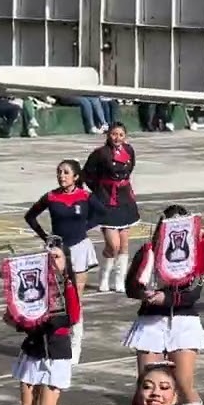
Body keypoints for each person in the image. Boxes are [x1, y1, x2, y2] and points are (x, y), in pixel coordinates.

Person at [123, 205, 204, 405]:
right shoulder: (148, 251)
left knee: (183, 384)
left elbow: (194, 292)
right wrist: (143, 293)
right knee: (148, 384)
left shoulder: (195, 253)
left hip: (183, 321)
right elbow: (130, 287)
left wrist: (167, 298)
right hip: (150, 321)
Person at [6, 243, 82, 405]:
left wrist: (38, 321)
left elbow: (72, 317)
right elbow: (20, 314)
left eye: (57, 256)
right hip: (33, 349)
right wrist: (17, 319)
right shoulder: (37, 284)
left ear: (65, 261)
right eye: (49, 256)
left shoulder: (67, 285)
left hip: (55, 352)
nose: (53, 260)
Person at [25, 159, 107, 363]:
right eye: (59, 172)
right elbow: (30, 216)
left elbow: (102, 213)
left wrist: (84, 227)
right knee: (54, 296)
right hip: (57, 250)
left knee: (75, 297)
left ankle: (75, 343)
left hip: (79, 249)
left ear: (76, 177)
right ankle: (53, 340)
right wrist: (46, 237)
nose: (61, 176)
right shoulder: (51, 196)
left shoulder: (85, 196)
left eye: (66, 172)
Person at [83, 122, 140, 294]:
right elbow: (87, 174)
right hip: (107, 201)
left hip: (125, 200)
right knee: (113, 245)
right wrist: (100, 190)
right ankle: (104, 276)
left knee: (124, 244)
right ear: (108, 135)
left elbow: (130, 168)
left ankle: (119, 279)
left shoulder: (129, 150)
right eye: (114, 134)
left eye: (121, 135)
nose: (117, 138)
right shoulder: (100, 153)